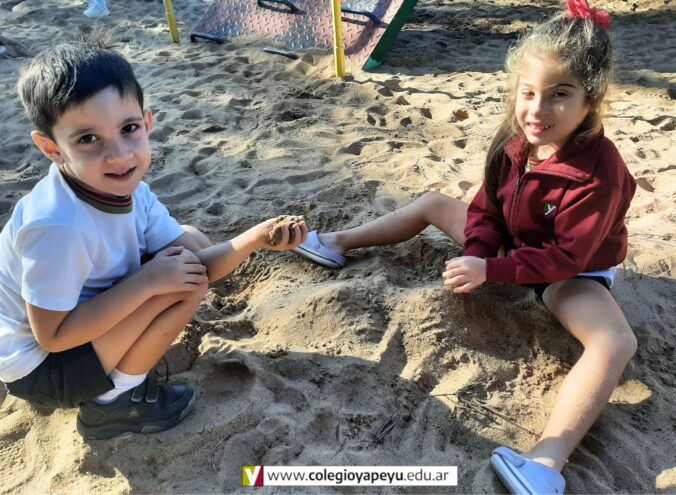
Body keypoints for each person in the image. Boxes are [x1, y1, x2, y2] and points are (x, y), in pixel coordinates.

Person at [293, 0, 636, 493]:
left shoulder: (598, 174)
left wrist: (491, 271)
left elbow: (569, 256)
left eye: (560, 95)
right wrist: (478, 251)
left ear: (591, 98)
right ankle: (335, 242)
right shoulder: (515, 139)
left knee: (615, 342)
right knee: (434, 203)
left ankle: (546, 462)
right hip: (512, 243)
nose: (537, 110)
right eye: (528, 92)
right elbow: (487, 208)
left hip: (569, 273)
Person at [0, 42, 307, 440]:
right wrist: (147, 282)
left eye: (128, 129)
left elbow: (199, 261)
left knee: (190, 244)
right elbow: (54, 337)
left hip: (72, 333)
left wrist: (255, 238)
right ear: (51, 148)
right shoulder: (58, 226)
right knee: (181, 285)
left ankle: (116, 369)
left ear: (146, 123)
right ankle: (113, 403)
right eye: (88, 139)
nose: (118, 155)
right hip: (43, 371)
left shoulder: (127, 190)